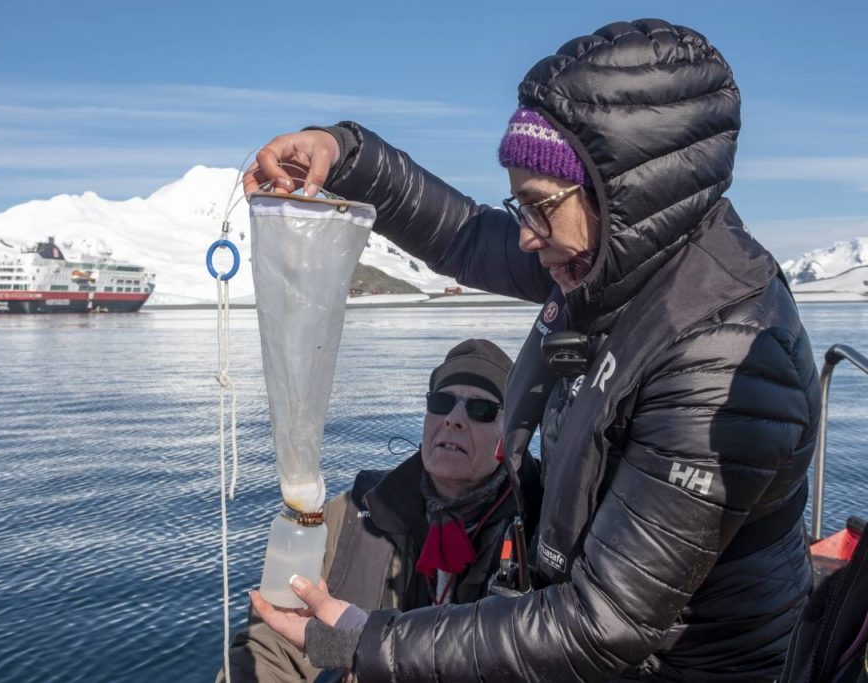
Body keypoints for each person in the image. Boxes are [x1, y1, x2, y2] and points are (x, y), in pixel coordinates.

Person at [242, 18, 820, 683]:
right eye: (520, 208)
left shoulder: (724, 356)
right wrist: (344, 152)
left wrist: (369, 639)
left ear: (624, 192)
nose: (525, 237)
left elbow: (606, 624)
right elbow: (463, 235)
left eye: (541, 207)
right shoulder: (612, 258)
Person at [221, 339, 525, 682]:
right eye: (441, 403)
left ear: (510, 432)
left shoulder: (542, 524)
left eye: (480, 409)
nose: (453, 419)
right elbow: (273, 644)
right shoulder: (353, 515)